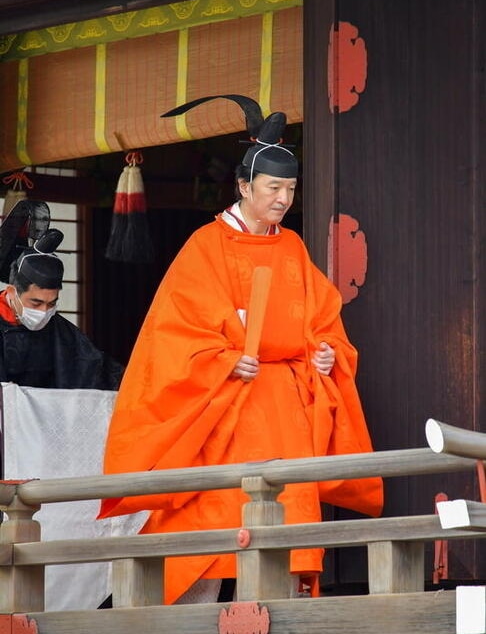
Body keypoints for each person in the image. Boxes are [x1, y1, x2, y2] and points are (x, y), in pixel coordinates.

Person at [99, 96, 384, 604]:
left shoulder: (292, 247)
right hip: (227, 407)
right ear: (244, 186)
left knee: (286, 530)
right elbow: (175, 335)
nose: (282, 199)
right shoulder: (204, 247)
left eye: (290, 189)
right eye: (273, 188)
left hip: (284, 411)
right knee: (210, 521)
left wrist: (325, 354)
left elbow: (323, 321)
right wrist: (225, 359)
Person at [0, 228, 123, 389]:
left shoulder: (58, 328)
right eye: (36, 303)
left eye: (51, 304)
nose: (43, 312)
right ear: (11, 293)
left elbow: (96, 370)